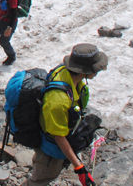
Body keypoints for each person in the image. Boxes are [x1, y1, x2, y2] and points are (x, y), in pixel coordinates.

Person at [23, 44, 108, 186]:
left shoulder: (65, 72)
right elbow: (58, 136)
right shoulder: (58, 100)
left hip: (57, 139)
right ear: (85, 71)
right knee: (40, 180)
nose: (99, 70)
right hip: (50, 151)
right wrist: (79, 167)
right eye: (97, 68)